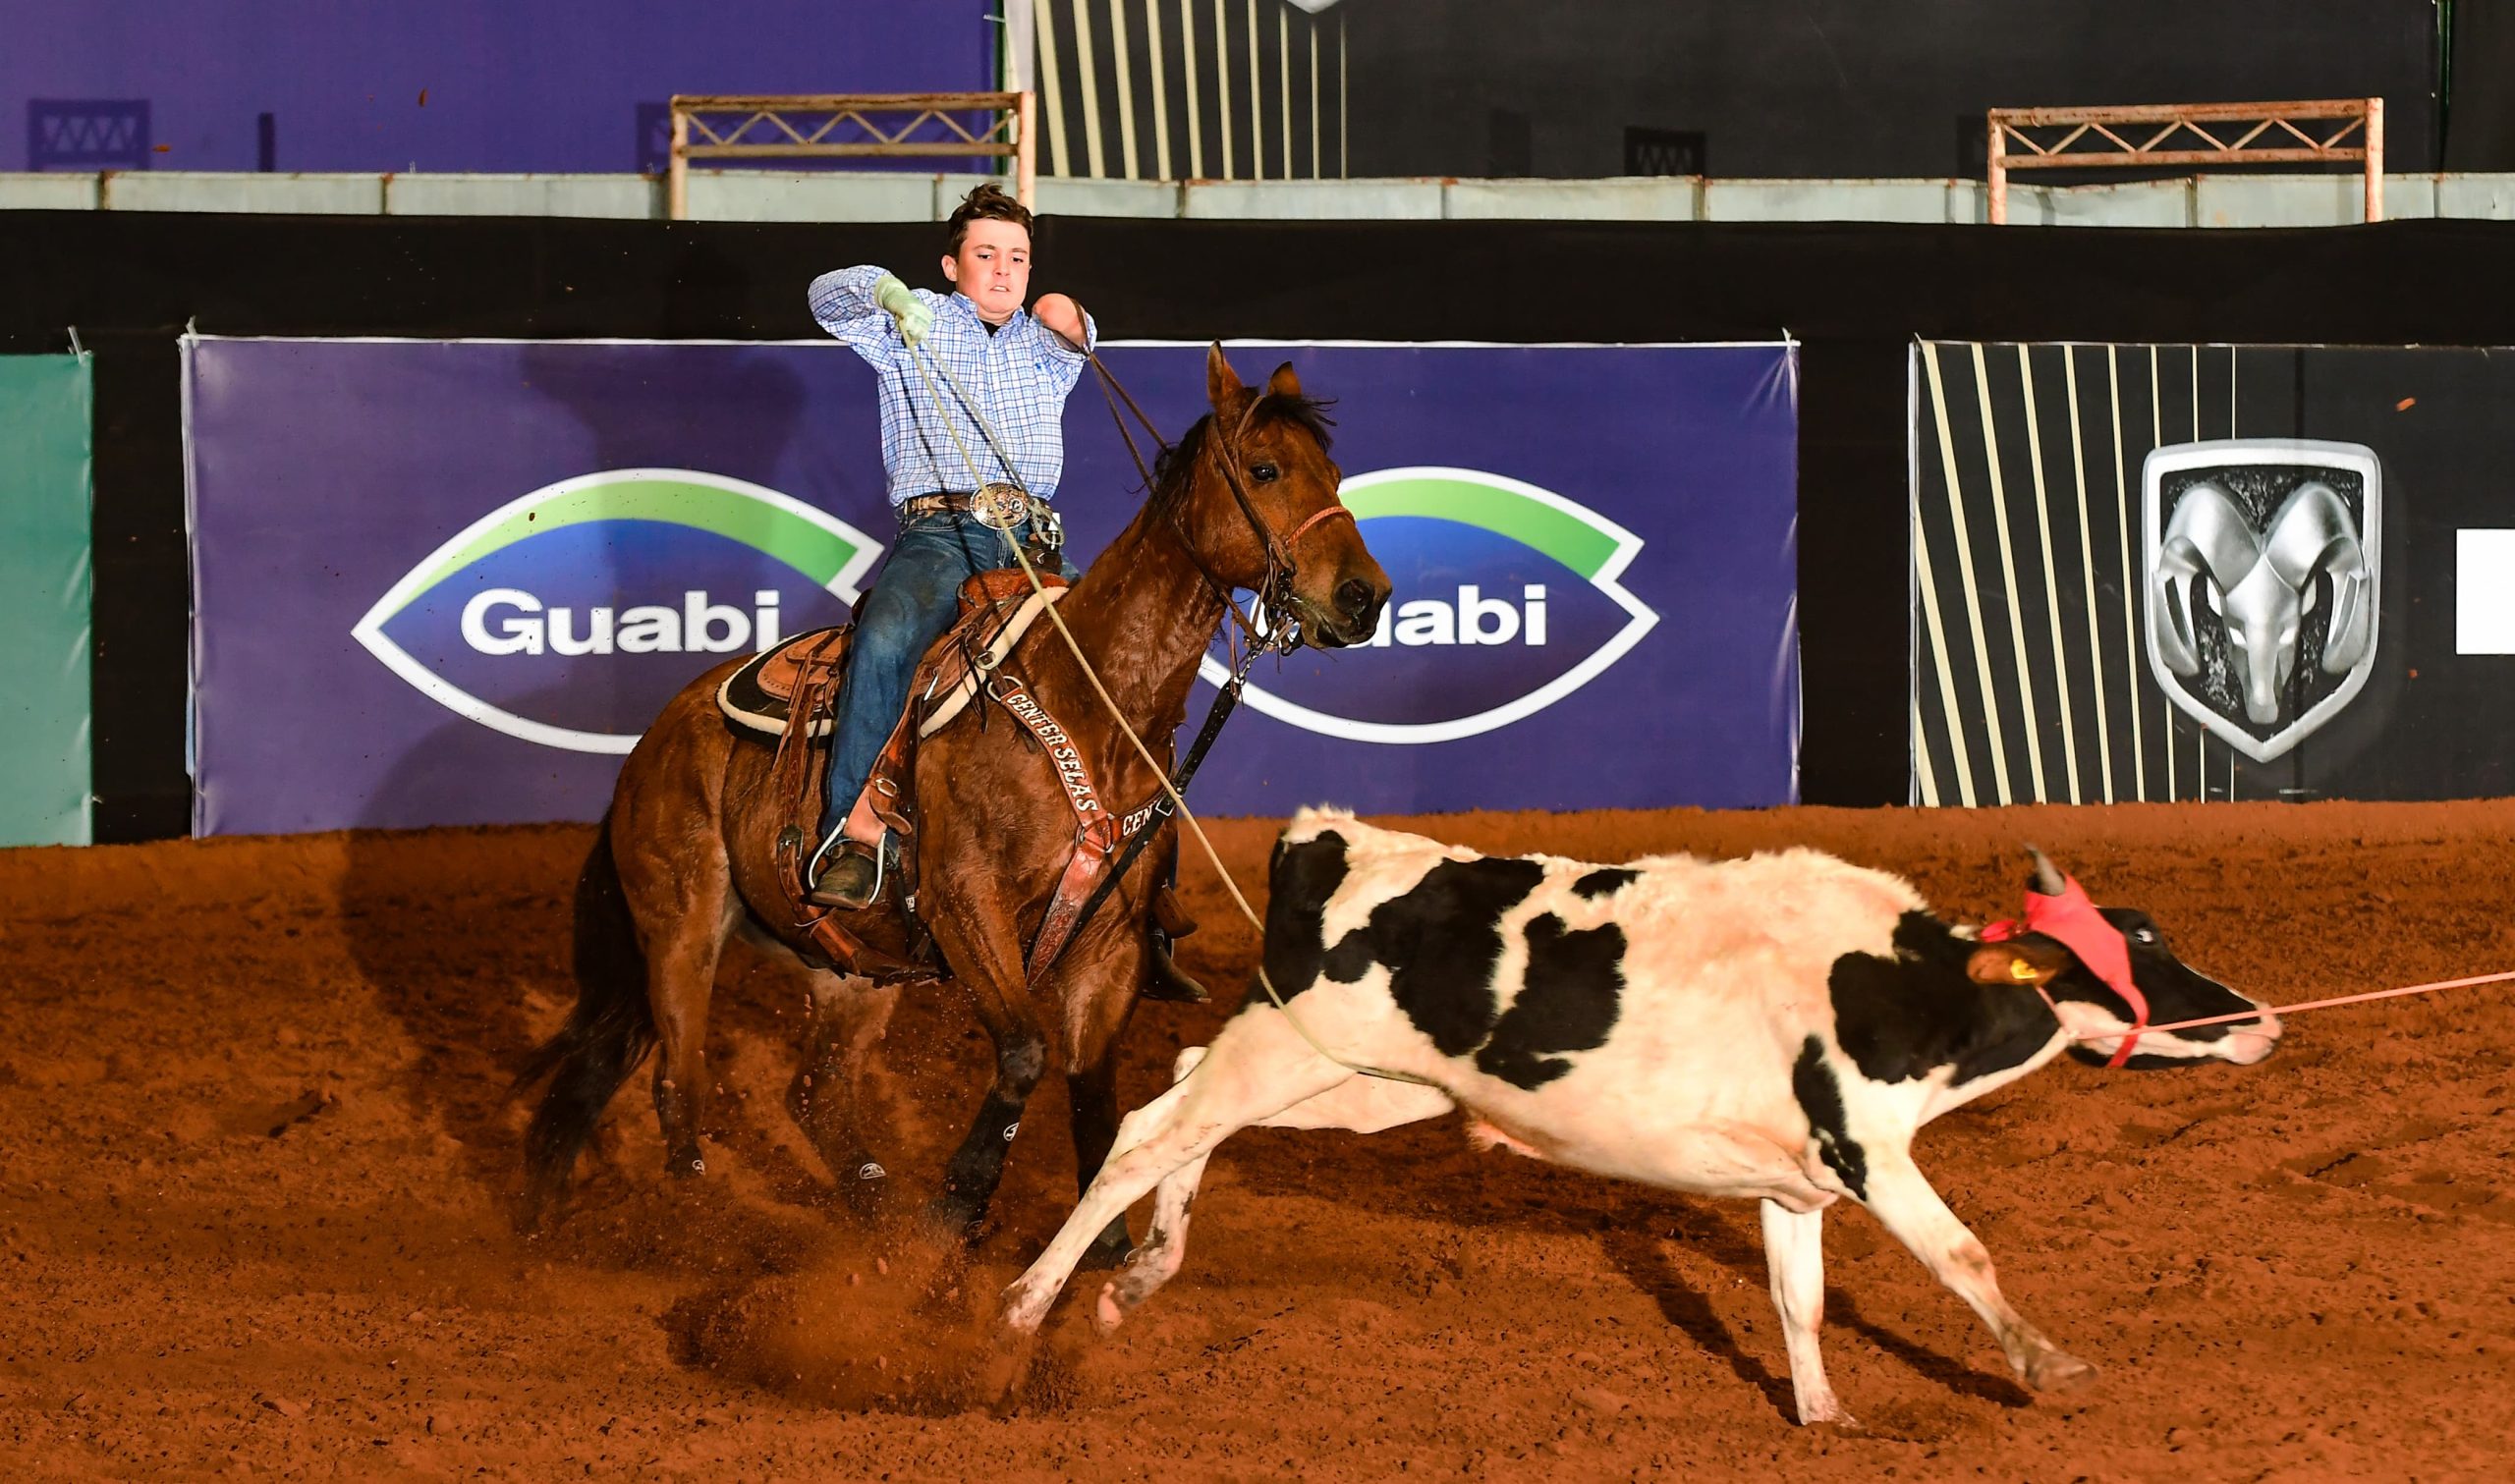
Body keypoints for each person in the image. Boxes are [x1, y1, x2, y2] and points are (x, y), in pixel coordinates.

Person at [802, 186, 1205, 1003]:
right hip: (941, 536)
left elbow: (1078, 328)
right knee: (888, 632)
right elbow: (824, 296)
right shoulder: (909, 322)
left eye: (1017, 256)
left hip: (1035, 545)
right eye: (985, 255)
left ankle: (1144, 886)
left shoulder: (1045, 343)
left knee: (1120, 672)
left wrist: (1064, 309)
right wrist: (882, 290)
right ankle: (854, 832)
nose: (1005, 270)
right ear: (951, 267)